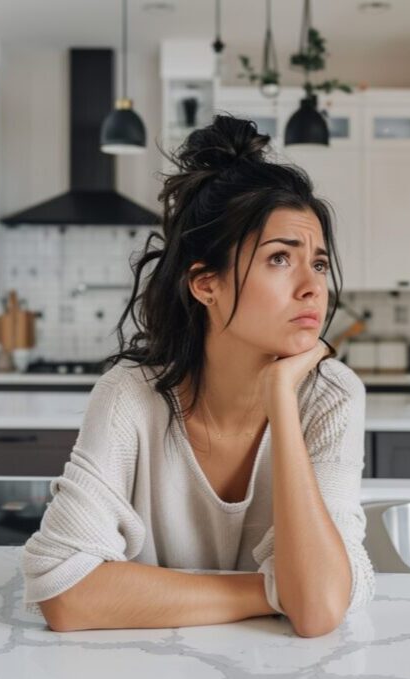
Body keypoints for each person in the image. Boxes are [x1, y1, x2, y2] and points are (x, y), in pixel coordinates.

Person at [20, 114, 374, 638]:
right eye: (280, 258)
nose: (312, 287)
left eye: (319, 264)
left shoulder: (330, 395)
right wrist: (273, 591)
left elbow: (319, 609)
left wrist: (280, 393)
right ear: (206, 285)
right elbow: (65, 593)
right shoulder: (130, 397)